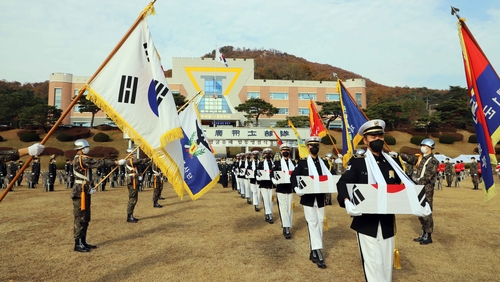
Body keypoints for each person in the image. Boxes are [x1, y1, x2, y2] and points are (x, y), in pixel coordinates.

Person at [337, 119, 404, 281]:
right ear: (365, 140)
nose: (377, 139)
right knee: (374, 263)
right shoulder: (359, 162)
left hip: (387, 220)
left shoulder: (392, 162)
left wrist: (419, 201)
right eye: (372, 136)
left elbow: (403, 184)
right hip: (366, 221)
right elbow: (343, 182)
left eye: (380, 135)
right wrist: (347, 200)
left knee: (387, 265)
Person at [71, 139, 123, 252]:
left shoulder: (83, 159)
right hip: (80, 192)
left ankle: (83, 241)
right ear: (80, 148)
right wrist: (115, 162)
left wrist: (91, 186)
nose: (87, 149)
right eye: (86, 147)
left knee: (86, 217)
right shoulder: (81, 159)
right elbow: (99, 163)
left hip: (85, 189)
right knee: (80, 217)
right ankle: (77, 243)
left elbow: (87, 175)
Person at [291, 136, 329, 269]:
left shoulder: (323, 163)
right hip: (307, 198)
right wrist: (296, 188)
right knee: (312, 223)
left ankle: (313, 250)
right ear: (307, 147)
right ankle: (318, 252)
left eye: (317, 145)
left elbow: (330, 176)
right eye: (312, 145)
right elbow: (294, 176)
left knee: (319, 223)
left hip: (320, 199)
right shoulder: (302, 163)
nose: (314, 148)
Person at [399, 138, 439, 245]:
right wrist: (399, 155)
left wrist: (417, 183)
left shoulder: (433, 161)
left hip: (426, 189)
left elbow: (428, 176)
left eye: (423, 145)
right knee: (419, 211)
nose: (422, 147)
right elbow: (410, 159)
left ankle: (428, 235)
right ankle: (423, 233)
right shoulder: (421, 158)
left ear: (429, 147)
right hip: (418, 187)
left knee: (426, 211)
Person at [273, 144, 295, 239]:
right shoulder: (277, 163)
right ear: (281, 152)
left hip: (290, 189)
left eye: (287, 150)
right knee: (283, 209)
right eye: (283, 150)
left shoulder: (293, 163)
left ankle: (288, 225)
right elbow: (272, 174)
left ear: (289, 152)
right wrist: (275, 181)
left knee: (289, 208)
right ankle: (286, 227)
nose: (285, 152)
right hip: (281, 189)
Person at [125, 148, 150, 223]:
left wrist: (138, 175)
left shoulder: (132, 161)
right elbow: (140, 161)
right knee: (132, 199)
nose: (135, 155)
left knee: (134, 198)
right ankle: (129, 216)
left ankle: (131, 215)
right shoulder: (130, 160)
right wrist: (149, 158)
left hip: (134, 180)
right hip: (131, 181)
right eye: (134, 153)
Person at [257, 148, 274, 223]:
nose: (267, 155)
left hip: (271, 184)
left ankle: (269, 213)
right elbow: (257, 172)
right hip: (263, 184)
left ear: (271, 154)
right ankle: (269, 214)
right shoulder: (260, 163)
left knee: (271, 200)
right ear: (263, 155)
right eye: (266, 153)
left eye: (269, 153)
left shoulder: (274, 164)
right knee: (266, 199)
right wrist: (258, 177)